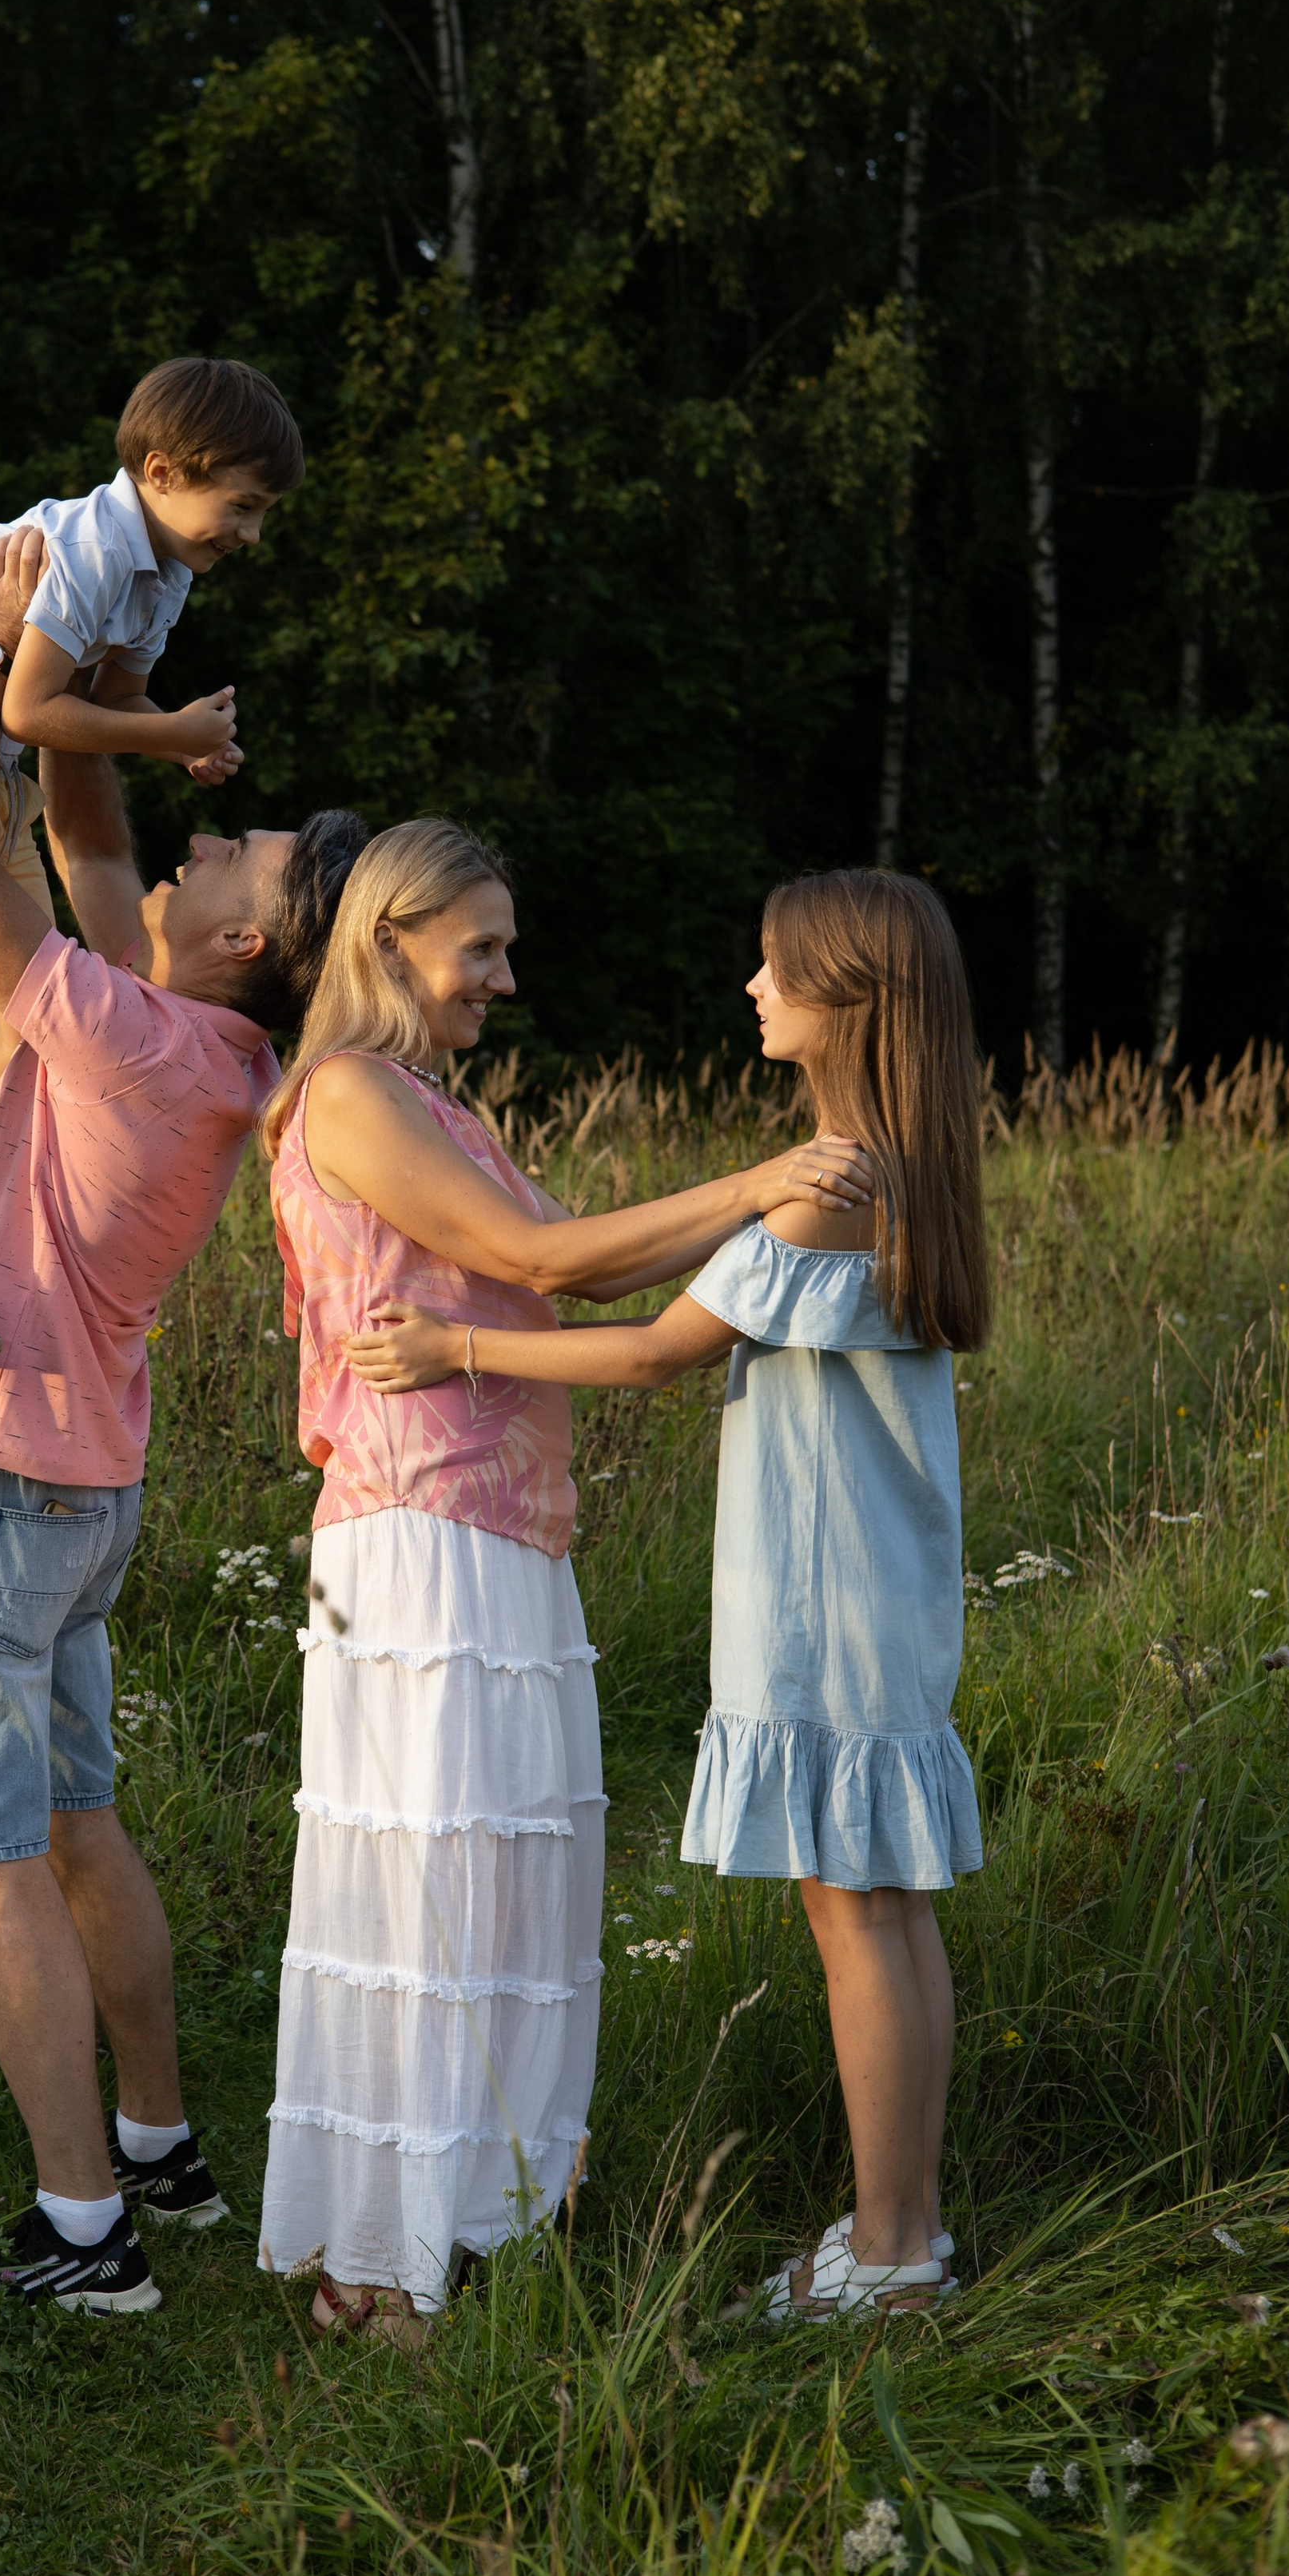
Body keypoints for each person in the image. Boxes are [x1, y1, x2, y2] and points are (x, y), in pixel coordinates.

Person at [255, 821, 877, 2342]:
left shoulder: (429, 1099)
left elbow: (543, 1265)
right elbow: (544, 1263)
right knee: (424, 1882)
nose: (503, 977)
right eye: (482, 947)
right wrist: (761, 1180)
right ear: (392, 941)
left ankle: (461, 2223)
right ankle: (380, 2264)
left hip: (494, 1529)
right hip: (416, 1527)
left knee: (505, 1880)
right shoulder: (346, 1093)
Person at [0, 519, 368, 2315]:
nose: (204, 843)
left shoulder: (126, 1037)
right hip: (81, 1492)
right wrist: (124, 687)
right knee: (81, 1822)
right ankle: (155, 2146)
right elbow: (86, 827)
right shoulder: (203, 1042)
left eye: (225, 851)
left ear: (245, 938)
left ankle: (82, 2239)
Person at [0, 356, 304, 1362]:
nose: (250, 534)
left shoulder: (167, 569)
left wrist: (181, 735)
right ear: (160, 468)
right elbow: (29, 708)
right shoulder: (86, 550)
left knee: (24, 1018)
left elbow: (113, 706)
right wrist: (167, 733)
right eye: (240, 504)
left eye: (263, 512)